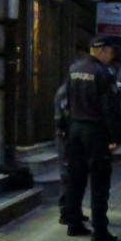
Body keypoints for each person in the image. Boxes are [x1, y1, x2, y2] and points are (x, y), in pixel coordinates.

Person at [64, 37, 121, 241]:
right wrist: (115, 136)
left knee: (75, 179)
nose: (112, 57)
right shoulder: (103, 73)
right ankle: (99, 229)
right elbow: (110, 108)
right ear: (102, 51)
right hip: (95, 131)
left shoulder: (74, 68)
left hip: (76, 128)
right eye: (111, 52)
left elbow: (67, 99)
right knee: (99, 182)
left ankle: (73, 223)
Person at [53, 82, 89, 226]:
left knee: (75, 175)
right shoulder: (65, 91)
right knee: (67, 174)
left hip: (71, 135)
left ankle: (74, 210)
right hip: (66, 136)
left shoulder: (70, 90)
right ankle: (65, 211)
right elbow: (62, 117)